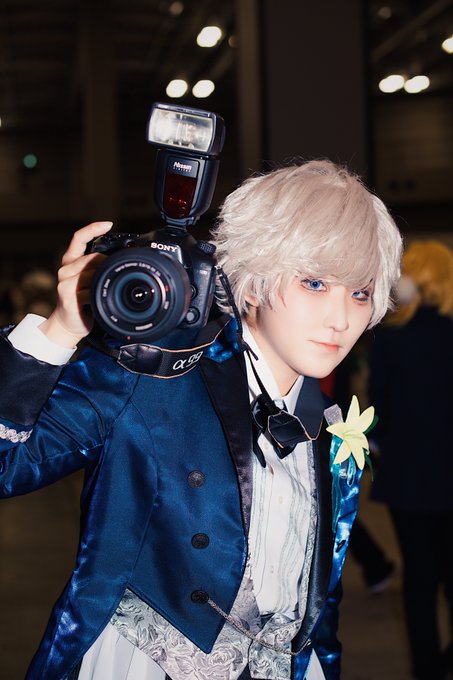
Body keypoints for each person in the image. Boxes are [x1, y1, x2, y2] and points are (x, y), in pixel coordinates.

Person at [0, 159, 402, 680]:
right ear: (251, 282)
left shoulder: (327, 425)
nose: (342, 319)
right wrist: (58, 329)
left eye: (361, 292)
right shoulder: (151, 372)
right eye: (315, 283)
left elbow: (318, 611)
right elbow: (6, 465)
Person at [368, 240, 453, 680]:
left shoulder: (391, 337)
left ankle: (427, 669)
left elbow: (377, 406)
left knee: (419, 581)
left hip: (408, 477)